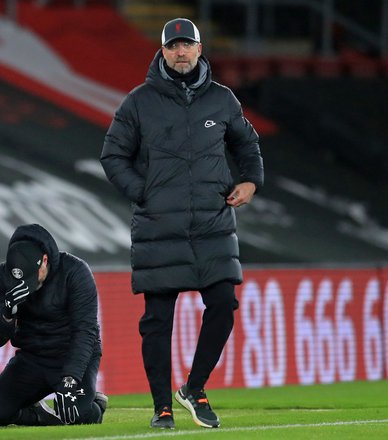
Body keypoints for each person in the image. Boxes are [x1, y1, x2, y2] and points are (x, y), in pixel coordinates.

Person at [100, 18, 264, 430]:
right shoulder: (138, 102)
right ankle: (162, 407)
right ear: (162, 52)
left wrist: (250, 181)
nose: (180, 52)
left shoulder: (223, 100)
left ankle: (194, 387)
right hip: (158, 225)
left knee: (224, 304)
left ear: (199, 47)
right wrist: (145, 193)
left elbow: (247, 144)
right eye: (172, 46)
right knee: (158, 320)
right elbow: (112, 156)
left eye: (186, 45)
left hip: (212, 223)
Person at [0, 223, 107, 426]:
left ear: (44, 260)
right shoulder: (4, 276)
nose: (31, 286)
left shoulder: (75, 271)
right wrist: (7, 314)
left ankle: (96, 405)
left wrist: (70, 379)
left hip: (71, 356)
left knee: (74, 415)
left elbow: (86, 332)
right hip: (32, 358)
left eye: (32, 277)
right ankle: (37, 414)